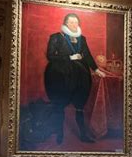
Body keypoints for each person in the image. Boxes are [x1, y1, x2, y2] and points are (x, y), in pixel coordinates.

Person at [44, 13, 106, 144]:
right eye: (71, 22)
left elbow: (88, 55)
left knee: (80, 104)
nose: (74, 25)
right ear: (66, 23)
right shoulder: (56, 37)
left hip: (80, 75)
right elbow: (50, 56)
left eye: (76, 22)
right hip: (61, 75)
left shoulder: (82, 39)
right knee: (60, 104)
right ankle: (60, 134)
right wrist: (69, 58)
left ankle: (83, 134)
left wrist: (96, 69)